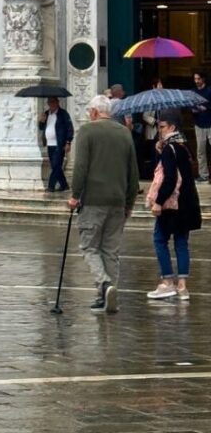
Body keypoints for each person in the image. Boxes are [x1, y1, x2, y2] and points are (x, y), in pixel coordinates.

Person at [68, 94, 140, 314]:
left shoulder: (87, 132)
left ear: (94, 112)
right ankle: (106, 297)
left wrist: (74, 195)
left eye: (89, 111)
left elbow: (80, 167)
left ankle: (104, 283)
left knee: (89, 247)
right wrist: (129, 203)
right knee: (110, 251)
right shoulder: (124, 133)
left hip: (93, 200)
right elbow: (134, 174)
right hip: (118, 200)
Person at [145, 109, 202, 301]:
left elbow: (169, 179)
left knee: (160, 240)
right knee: (181, 243)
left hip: (172, 204)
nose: (159, 130)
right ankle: (182, 286)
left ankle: (168, 282)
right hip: (187, 204)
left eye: (162, 127)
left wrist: (158, 201)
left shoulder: (170, 149)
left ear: (172, 127)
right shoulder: (183, 146)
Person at [39, 96, 73, 192]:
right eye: (50, 102)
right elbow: (41, 127)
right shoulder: (46, 114)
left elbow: (69, 128)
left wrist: (68, 142)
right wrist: (41, 121)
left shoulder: (63, 114)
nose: (51, 104)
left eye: (53, 102)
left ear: (57, 102)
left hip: (59, 144)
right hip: (49, 144)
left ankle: (51, 186)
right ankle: (64, 185)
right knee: (55, 166)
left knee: (56, 164)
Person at [193, 71, 211, 183]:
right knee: (200, 151)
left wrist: (206, 108)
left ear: (203, 79)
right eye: (195, 79)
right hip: (199, 124)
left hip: (210, 123)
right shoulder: (193, 92)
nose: (196, 81)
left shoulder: (209, 91)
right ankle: (204, 175)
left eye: (198, 78)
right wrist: (193, 109)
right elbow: (189, 105)